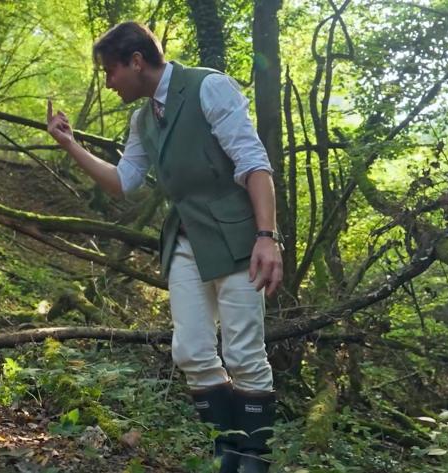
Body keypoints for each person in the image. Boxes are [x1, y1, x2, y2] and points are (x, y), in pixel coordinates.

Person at [46, 22, 281, 473]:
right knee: (192, 350)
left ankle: (254, 460)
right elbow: (123, 181)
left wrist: (267, 238)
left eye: (111, 71)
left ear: (137, 60)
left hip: (239, 237)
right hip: (185, 241)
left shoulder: (208, 87)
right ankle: (226, 451)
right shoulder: (142, 119)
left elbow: (254, 163)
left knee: (244, 353)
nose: (109, 82)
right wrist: (68, 143)